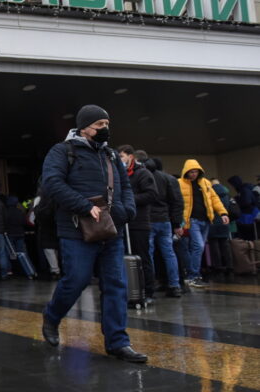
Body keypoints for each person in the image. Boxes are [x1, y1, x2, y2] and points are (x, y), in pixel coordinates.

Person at [41, 105, 147, 363]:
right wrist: (85, 206)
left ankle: (118, 342)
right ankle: (52, 317)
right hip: (76, 229)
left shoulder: (110, 155)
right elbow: (52, 183)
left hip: (111, 229)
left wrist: (127, 211)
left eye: (107, 124)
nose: (105, 129)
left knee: (116, 285)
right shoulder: (62, 151)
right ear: (84, 126)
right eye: (99, 125)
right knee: (76, 280)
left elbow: (125, 188)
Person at [116, 145, 158, 303]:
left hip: (139, 222)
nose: (120, 159)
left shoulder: (142, 173)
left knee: (143, 257)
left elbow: (151, 194)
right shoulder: (121, 175)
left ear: (130, 156)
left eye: (122, 156)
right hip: (124, 223)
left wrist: (129, 199)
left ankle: (148, 291)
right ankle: (130, 289)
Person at [178, 159, 229, 288]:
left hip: (205, 220)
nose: (193, 174)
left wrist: (223, 213)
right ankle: (193, 275)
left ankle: (191, 274)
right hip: (191, 221)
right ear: (186, 172)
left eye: (195, 171)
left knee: (196, 248)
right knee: (198, 247)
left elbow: (214, 199)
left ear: (199, 171)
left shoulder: (205, 183)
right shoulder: (180, 183)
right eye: (190, 172)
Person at [143, 157, 184, 297]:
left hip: (149, 219)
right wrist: (177, 223)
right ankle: (174, 285)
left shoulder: (143, 176)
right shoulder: (169, 179)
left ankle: (151, 284)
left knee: (149, 254)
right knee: (169, 253)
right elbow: (177, 201)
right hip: (165, 220)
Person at [209, 180, 236, 277]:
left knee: (214, 245)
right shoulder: (226, 194)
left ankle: (218, 267)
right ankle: (230, 266)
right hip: (224, 221)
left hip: (212, 223)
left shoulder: (210, 194)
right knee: (225, 245)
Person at [5, 196, 33, 277]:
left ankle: (10, 270)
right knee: (22, 253)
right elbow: (24, 222)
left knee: (10, 253)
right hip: (20, 234)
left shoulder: (6, 212)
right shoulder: (20, 211)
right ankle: (25, 269)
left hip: (10, 234)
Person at [228, 175, 259, 240]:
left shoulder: (244, 190)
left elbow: (247, 202)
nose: (232, 186)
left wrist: (237, 201)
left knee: (249, 234)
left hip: (248, 214)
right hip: (250, 213)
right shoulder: (244, 189)